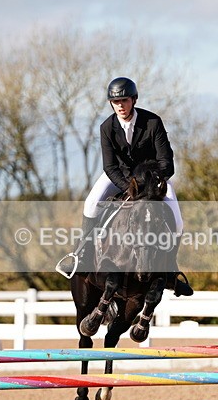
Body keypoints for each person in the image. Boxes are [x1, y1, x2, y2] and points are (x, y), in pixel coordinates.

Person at [57, 77, 193, 296]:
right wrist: (129, 187)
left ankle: (171, 271)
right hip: (118, 177)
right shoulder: (107, 127)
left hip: (152, 180)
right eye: (115, 101)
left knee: (176, 221)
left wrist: (153, 183)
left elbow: (166, 161)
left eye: (124, 100)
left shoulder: (152, 123)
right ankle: (80, 256)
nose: (120, 105)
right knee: (91, 204)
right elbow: (110, 166)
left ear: (134, 100)